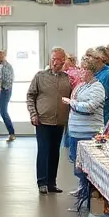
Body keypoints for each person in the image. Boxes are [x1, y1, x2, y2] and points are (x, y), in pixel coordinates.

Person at [26, 47, 73, 194]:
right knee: (44, 150)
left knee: (54, 152)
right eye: (52, 59)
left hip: (59, 121)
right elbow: (30, 96)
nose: (54, 62)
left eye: (58, 59)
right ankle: (42, 182)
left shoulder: (67, 78)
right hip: (43, 121)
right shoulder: (40, 76)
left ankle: (52, 182)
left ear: (63, 61)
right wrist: (33, 114)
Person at [65, 55, 108, 202]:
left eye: (82, 69)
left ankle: (88, 191)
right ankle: (82, 186)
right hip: (76, 131)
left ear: (90, 71)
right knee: (76, 160)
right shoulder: (82, 85)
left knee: (87, 165)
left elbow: (90, 107)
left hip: (89, 132)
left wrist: (71, 102)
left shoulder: (98, 87)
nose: (80, 72)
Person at [0, 49, 16, 141]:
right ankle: (11, 132)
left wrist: (0, 86)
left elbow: (8, 81)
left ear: (4, 56)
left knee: (3, 112)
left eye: (0, 56)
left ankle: (12, 133)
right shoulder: (0, 66)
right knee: (2, 111)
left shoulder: (7, 66)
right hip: (1, 91)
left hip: (5, 91)